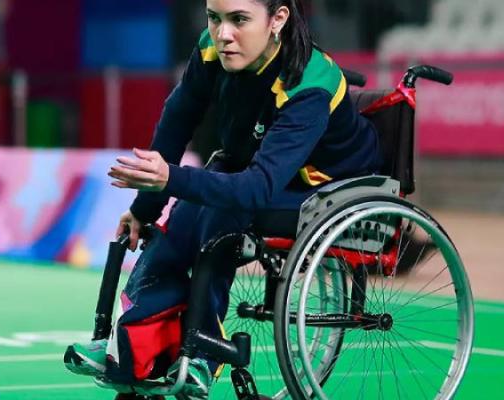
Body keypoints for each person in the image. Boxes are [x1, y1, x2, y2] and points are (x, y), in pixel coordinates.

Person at [64, 0, 382, 399]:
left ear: (277, 19)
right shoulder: (212, 49)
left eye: (239, 20)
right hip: (257, 168)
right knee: (176, 223)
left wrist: (170, 178)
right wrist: (144, 209)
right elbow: (177, 120)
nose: (223, 33)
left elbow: (254, 189)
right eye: (214, 18)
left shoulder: (308, 84)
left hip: (326, 186)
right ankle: (128, 347)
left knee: (219, 216)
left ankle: (201, 353)